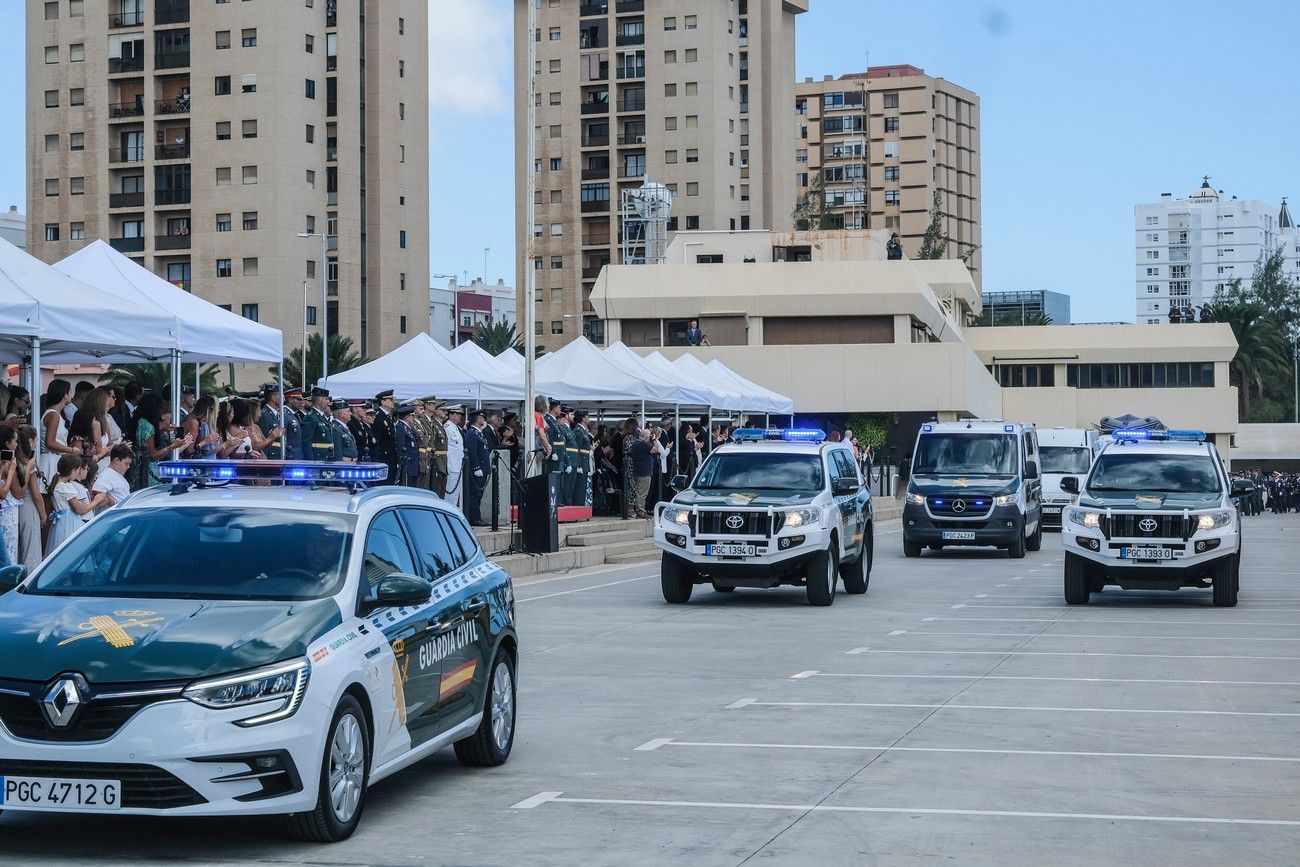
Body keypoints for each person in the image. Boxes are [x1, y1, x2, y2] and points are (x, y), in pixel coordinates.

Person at [47, 455, 104, 552]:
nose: (78, 472)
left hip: (61, 523)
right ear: (73, 470)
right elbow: (80, 510)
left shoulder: (57, 483)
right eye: (78, 470)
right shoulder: (65, 487)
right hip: (69, 524)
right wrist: (96, 501)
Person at [13, 425, 46, 571]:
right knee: (30, 550)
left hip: (16, 509)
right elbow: (37, 495)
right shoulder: (28, 463)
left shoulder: (16, 460)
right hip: (28, 507)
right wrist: (44, 515)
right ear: (31, 441)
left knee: (19, 547)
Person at [39, 380, 78, 480]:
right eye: (69, 392)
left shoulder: (54, 414)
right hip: (50, 461)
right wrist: (72, 450)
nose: (71, 395)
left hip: (54, 459)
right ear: (64, 395)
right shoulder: (54, 415)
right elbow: (50, 443)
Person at [464, 410, 491, 525]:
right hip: (478, 468)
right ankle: (474, 518)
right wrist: (476, 467)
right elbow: (472, 452)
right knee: (474, 494)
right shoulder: (472, 433)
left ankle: (477, 516)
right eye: (481, 417)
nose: (483, 419)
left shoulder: (479, 433)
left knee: (478, 494)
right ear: (475, 418)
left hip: (483, 467)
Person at [92, 444, 134, 514]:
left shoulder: (118, 475)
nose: (128, 467)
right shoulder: (107, 475)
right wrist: (114, 505)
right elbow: (97, 490)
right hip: (112, 516)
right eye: (126, 463)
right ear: (117, 460)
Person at [300, 387, 336, 462]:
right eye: (326, 399)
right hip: (317, 459)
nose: (328, 402)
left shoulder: (322, 417)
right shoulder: (311, 418)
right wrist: (311, 462)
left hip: (326, 458)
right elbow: (306, 443)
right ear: (319, 401)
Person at [0, 427, 19, 565]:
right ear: (7, 443)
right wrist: (11, 470)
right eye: (15, 441)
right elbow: (3, 493)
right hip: (4, 514)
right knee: (6, 557)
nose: (17, 444)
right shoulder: (8, 465)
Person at [370, 389, 398, 483]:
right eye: (390, 400)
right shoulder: (378, 416)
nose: (393, 402)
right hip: (383, 457)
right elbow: (377, 438)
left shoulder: (387, 417)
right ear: (383, 402)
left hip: (390, 458)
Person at [256, 384, 288, 459]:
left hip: (280, 454)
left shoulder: (277, 414)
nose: (283, 397)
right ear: (273, 397)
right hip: (271, 455)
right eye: (281, 395)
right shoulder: (265, 415)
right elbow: (262, 439)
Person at [629, 428, 654, 519]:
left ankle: (639, 509)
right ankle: (641, 510)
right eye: (649, 437)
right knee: (642, 492)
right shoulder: (641, 444)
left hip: (638, 470)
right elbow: (655, 449)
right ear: (645, 437)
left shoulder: (636, 444)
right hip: (643, 471)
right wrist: (654, 440)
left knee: (639, 491)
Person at [444, 405, 466, 508]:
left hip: (457, 465)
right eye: (457, 414)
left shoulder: (456, 428)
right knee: (450, 494)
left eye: (460, 414)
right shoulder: (447, 428)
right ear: (451, 415)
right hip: (451, 465)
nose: (459, 416)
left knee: (455, 494)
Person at [395, 404, 419, 485]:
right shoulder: (400, 427)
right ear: (407, 416)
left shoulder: (408, 428)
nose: (414, 418)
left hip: (412, 465)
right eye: (412, 416)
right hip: (407, 465)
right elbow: (400, 446)